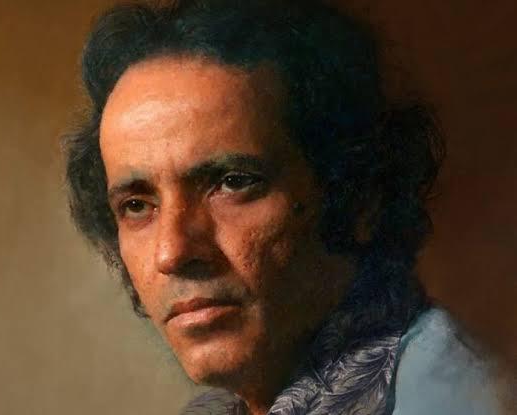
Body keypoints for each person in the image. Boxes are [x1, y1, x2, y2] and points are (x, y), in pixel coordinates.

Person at [62, 1, 504, 414]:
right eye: (136, 205)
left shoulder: (461, 396)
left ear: (358, 196)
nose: (172, 252)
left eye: (233, 182)